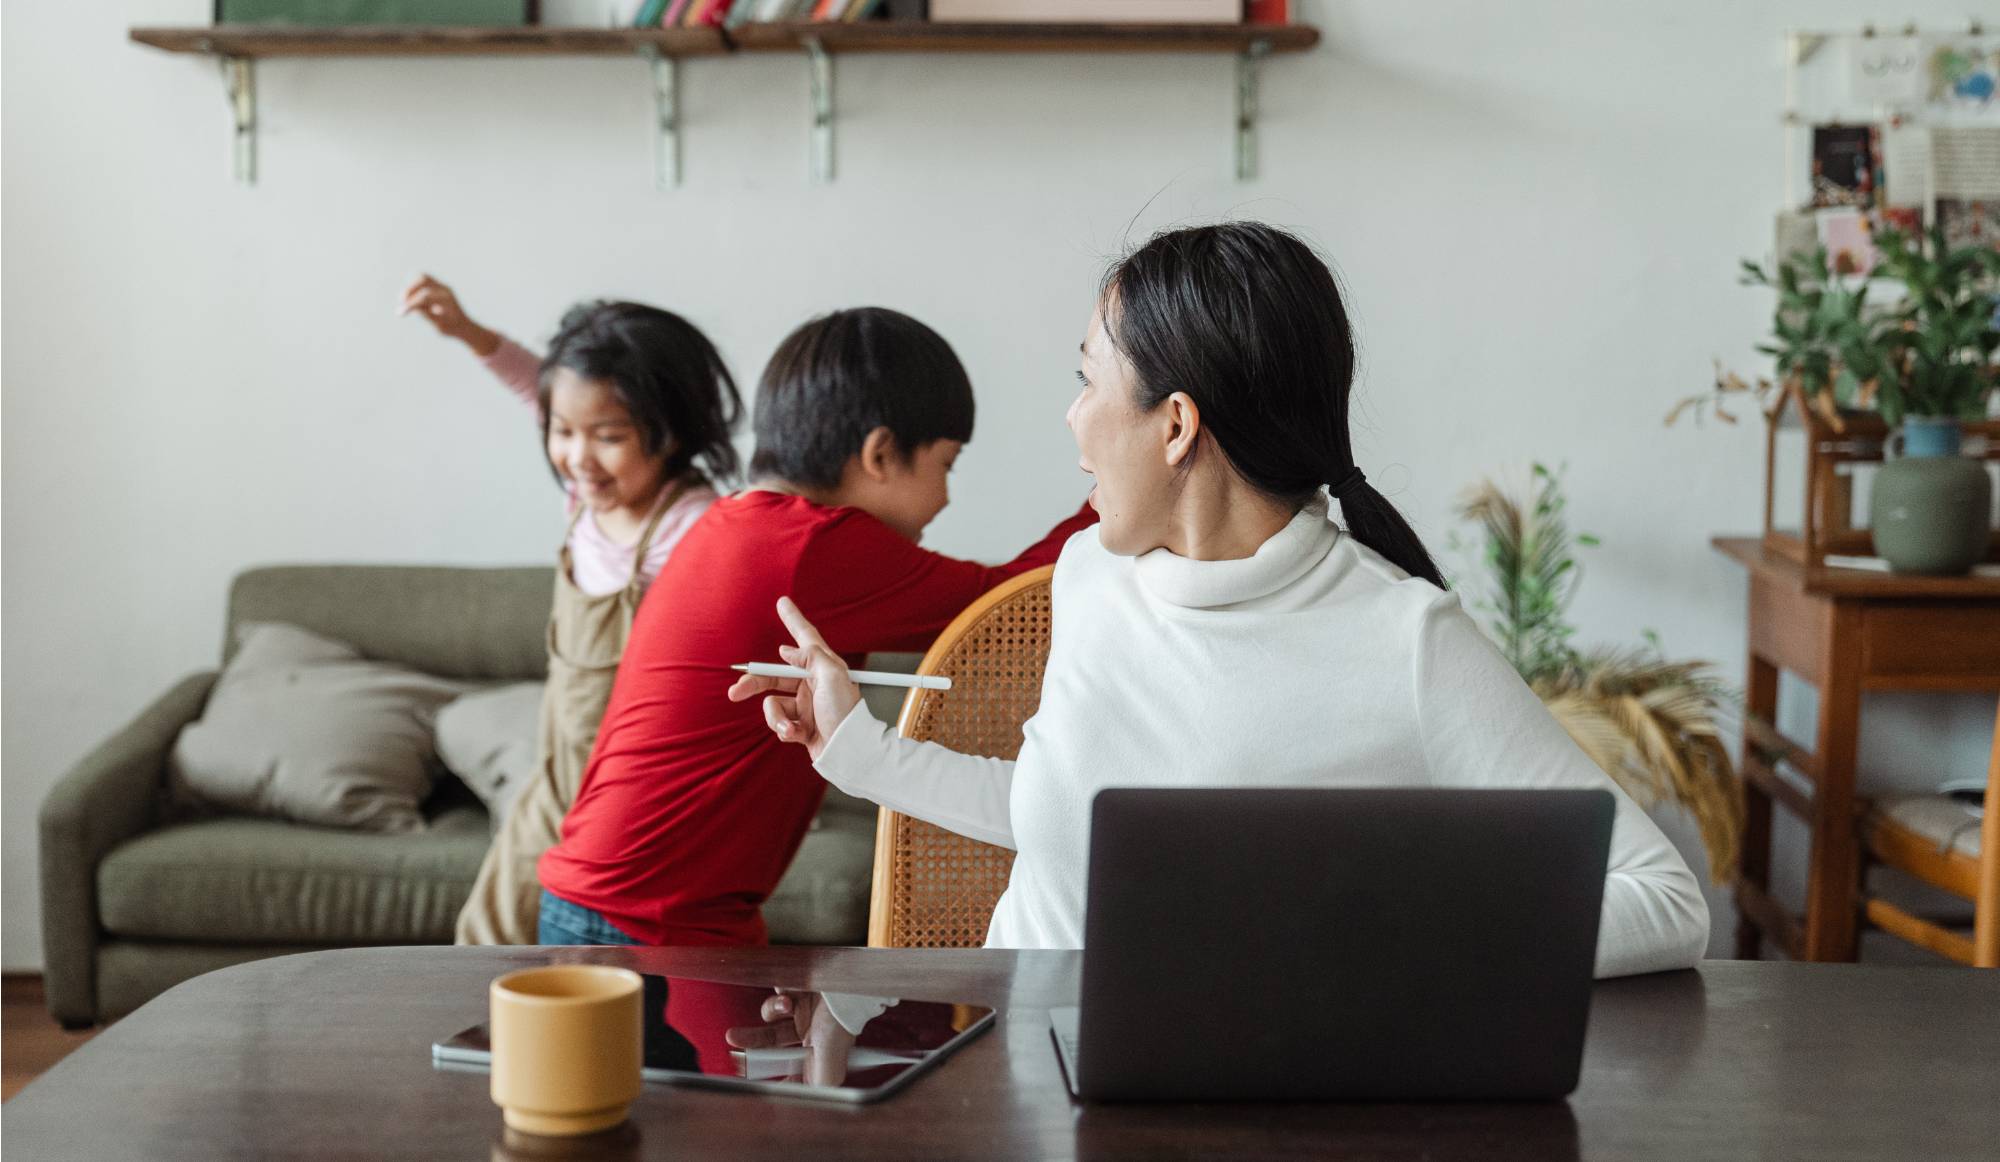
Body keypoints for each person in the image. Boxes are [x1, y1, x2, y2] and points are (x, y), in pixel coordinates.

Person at [731, 222, 1711, 979]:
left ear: (1174, 426)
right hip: (1018, 1079)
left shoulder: (1405, 639)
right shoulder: (1089, 576)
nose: (1072, 418)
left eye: (1086, 381)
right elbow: (1067, 821)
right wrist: (855, 748)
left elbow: (1662, 899)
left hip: (1244, 1098)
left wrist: (1374, 935)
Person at [534, 307, 1098, 947]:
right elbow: (1007, 607)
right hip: (640, 919)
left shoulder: (743, 524)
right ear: (880, 454)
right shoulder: (807, 546)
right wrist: (1114, 488)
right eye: (946, 464)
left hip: (625, 901)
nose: (945, 497)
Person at [399, 275, 742, 945]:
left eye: (609, 436)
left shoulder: (693, 528)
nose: (578, 457)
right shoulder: (588, 497)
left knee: (569, 947)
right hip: (556, 768)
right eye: (562, 432)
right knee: (487, 932)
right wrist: (469, 333)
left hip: (626, 791)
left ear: (672, 430)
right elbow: (540, 389)